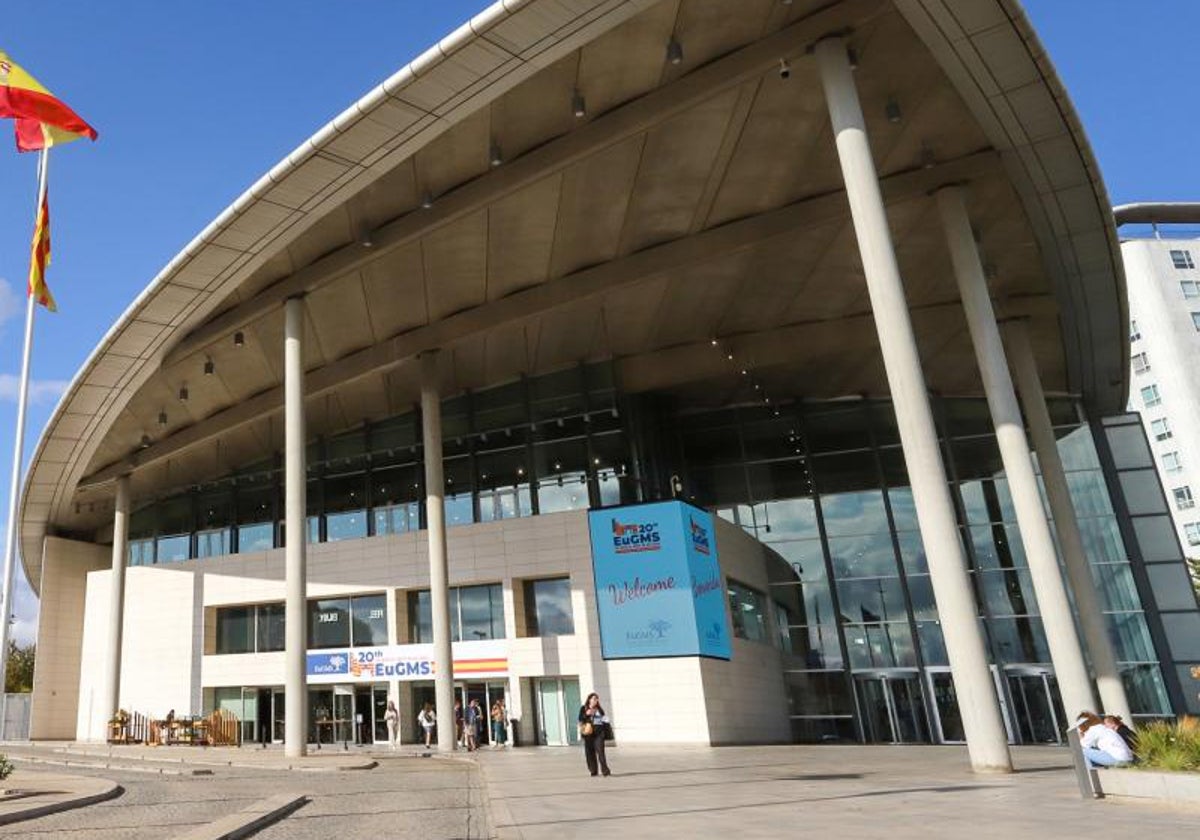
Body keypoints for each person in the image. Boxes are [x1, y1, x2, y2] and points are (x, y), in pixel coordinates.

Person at [578, 692, 611, 777]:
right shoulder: (584, 708)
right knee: (589, 754)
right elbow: (580, 718)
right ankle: (593, 771)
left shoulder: (599, 709)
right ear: (589, 699)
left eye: (596, 699)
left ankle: (605, 771)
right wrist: (587, 714)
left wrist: (606, 725)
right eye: (594, 699)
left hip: (599, 734)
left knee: (601, 752)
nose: (595, 701)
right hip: (588, 734)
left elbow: (604, 720)